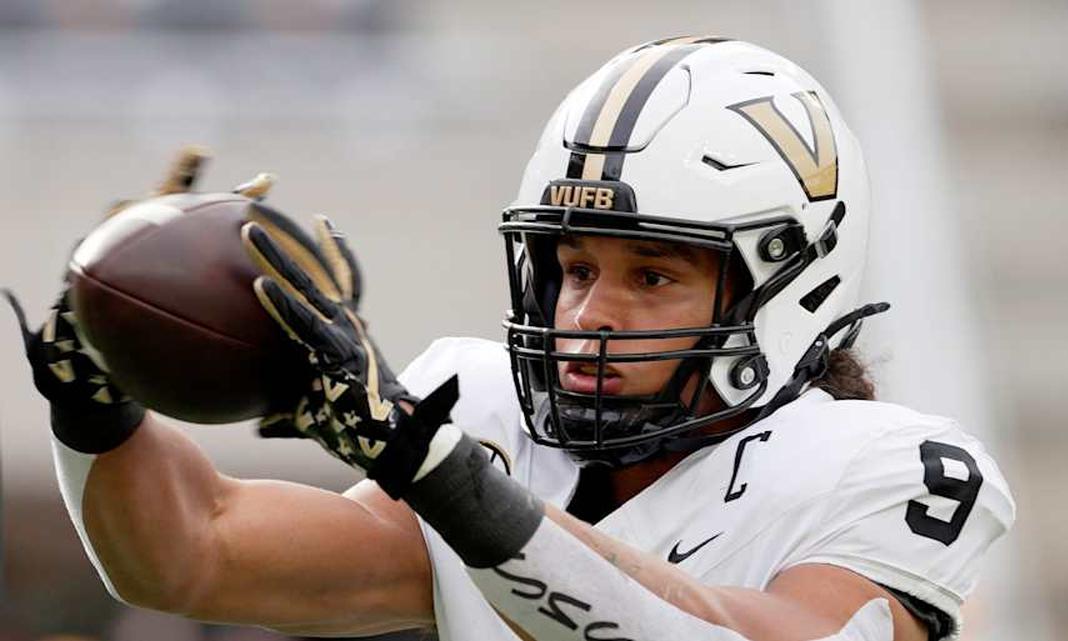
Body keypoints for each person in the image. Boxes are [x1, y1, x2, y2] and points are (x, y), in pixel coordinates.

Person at [8, 37, 1014, 641]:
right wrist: (99, 402)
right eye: (575, 268)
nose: (589, 313)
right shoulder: (490, 412)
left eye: (650, 275)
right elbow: (193, 553)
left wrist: (444, 473)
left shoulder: (892, 465)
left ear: (787, 280)